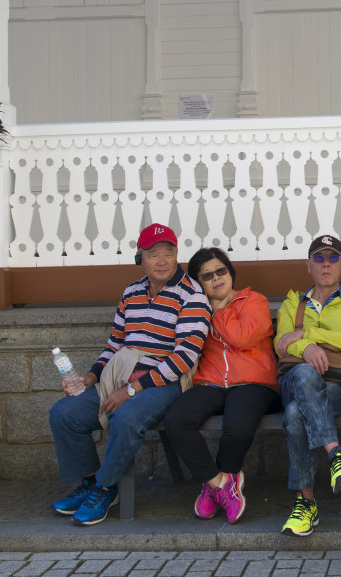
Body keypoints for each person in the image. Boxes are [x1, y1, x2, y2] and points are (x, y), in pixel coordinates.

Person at [48, 223, 211, 526]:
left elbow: (184, 358)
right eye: (153, 254)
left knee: (125, 418)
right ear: (140, 258)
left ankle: (105, 488)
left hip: (165, 381)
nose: (162, 261)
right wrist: (91, 377)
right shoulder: (132, 292)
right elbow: (114, 345)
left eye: (169, 253)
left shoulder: (192, 295)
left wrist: (133, 389)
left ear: (177, 256)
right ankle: (89, 481)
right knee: (65, 413)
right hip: (119, 376)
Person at [162, 247, 280, 524]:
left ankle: (221, 480)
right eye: (207, 276)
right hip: (211, 383)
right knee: (176, 418)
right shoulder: (196, 309)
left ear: (230, 272)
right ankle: (217, 483)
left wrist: (219, 312)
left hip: (254, 383)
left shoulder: (254, 301)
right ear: (198, 283)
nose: (216, 278)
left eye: (220, 271)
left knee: (238, 422)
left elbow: (242, 338)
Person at [274, 234, 341, 537]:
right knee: (305, 373)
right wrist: (306, 350)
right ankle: (336, 454)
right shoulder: (293, 302)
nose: (325, 264)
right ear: (309, 265)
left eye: (332, 258)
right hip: (294, 381)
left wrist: (306, 336)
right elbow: (281, 345)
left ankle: (306, 504)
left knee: (295, 413)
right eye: (319, 258)